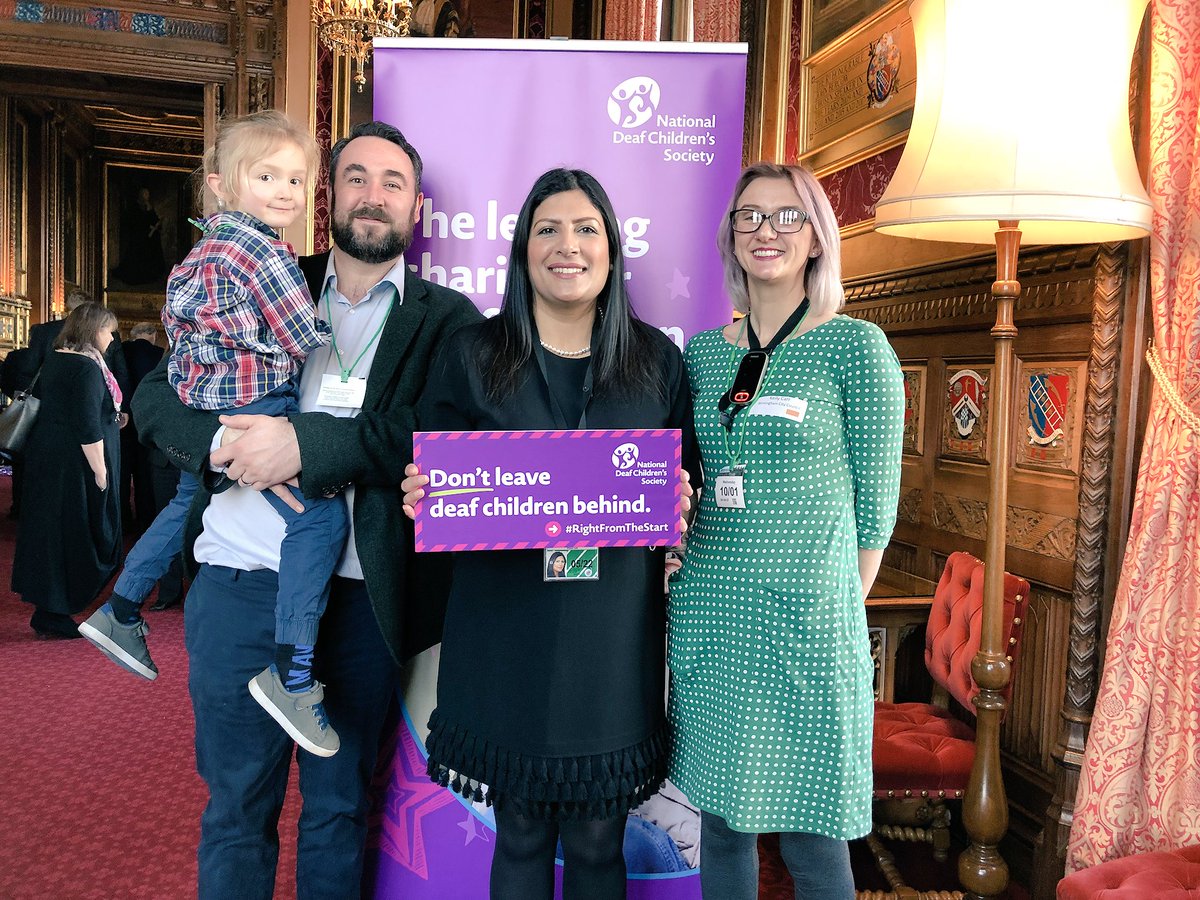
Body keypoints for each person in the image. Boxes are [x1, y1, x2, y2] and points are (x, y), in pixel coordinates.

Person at [130, 120, 482, 899]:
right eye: (355, 177)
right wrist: (224, 446)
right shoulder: (260, 271)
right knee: (235, 806)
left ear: (417, 207)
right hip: (238, 588)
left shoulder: (448, 320)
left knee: (339, 807)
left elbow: (429, 433)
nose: (373, 195)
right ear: (328, 196)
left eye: (393, 182)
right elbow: (157, 396)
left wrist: (304, 449)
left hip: (362, 600)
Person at [401, 168, 696, 900]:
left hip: (611, 639)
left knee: (600, 840)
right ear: (523, 248)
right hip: (504, 634)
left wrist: (681, 506)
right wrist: (422, 493)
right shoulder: (472, 354)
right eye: (549, 229)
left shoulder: (657, 360)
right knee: (522, 830)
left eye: (587, 229)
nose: (569, 246)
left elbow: (679, 478)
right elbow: (435, 472)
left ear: (613, 249)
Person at [665, 162, 905, 899]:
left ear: (816, 239)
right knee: (724, 826)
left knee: (811, 832)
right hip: (709, 615)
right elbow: (688, 477)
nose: (766, 231)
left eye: (786, 217)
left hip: (805, 627)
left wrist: (825, 600)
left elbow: (877, 511)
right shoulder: (702, 353)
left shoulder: (855, 349)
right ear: (731, 237)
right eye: (750, 217)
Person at [81, 110, 350, 762]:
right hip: (258, 420)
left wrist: (209, 423)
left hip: (219, 407)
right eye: (268, 176)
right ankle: (291, 674)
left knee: (180, 504)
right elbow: (298, 335)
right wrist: (330, 353)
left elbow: (179, 357)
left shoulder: (195, 257)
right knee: (319, 521)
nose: (286, 191)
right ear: (223, 184)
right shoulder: (270, 254)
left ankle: (119, 608)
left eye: (295, 179)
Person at [11, 302, 124, 638]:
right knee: (77, 533)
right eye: (108, 331)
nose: (112, 340)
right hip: (75, 465)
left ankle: (49, 609)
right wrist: (101, 472)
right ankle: (56, 611)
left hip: (50, 459)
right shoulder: (87, 368)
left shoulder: (58, 357)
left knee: (51, 533)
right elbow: (88, 426)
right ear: (93, 330)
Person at [121, 321, 166, 530]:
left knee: (121, 471)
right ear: (152, 335)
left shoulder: (121, 351)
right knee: (145, 474)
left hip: (121, 421)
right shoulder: (159, 354)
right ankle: (146, 518)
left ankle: (122, 518)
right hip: (147, 419)